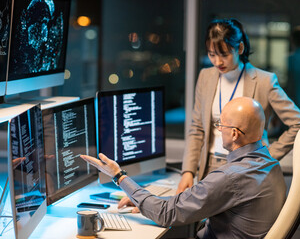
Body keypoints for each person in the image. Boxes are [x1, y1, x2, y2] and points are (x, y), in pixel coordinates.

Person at [81, 97, 286, 239]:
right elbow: (182, 205)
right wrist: (146, 200)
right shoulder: (270, 163)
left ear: (234, 134)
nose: (218, 130)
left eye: (220, 125)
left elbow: (165, 215)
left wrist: (118, 175)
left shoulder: (230, 177)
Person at [177, 18, 300, 193]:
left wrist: (266, 157)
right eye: (211, 54)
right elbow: (197, 128)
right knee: (206, 221)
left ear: (239, 48)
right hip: (209, 166)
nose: (217, 62)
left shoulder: (264, 81)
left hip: (247, 168)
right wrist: (188, 171)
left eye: (224, 54)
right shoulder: (205, 77)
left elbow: (299, 124)